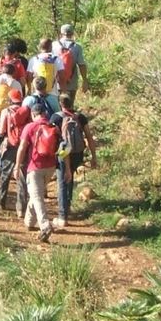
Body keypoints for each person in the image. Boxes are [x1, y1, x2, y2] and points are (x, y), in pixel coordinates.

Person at [15, 105, 62, 243]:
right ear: (45, 113)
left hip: (34, 167)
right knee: (36, 194)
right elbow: (61, 147)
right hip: (51, 166)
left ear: (33, 114)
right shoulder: (53, 126)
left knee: (37, 196)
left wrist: (17, 166)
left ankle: (44, 225)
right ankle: (29, 221)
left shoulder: (29, 127)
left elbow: (22, 148)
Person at [54, 92, 98, 228]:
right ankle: (67, 207)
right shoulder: (80, 117)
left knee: (62, 180)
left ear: (60, 104)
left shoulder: (56, 117)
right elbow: (89, 137)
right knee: (70, 177)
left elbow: (53, 137)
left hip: (63, 151)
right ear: (72, 103)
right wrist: (93, 157)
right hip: (77, 152)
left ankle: (62, 216)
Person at [0, 90, 33, 213]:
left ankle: (0, 200)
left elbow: (1, 131)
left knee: (5, 174)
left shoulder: (6, 111)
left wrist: (0, 130)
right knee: (22, 176)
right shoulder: (26, 111)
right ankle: (21, 207)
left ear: (10, 99)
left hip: (10, 145)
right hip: (24, 146)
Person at [55, 24, 88, 101]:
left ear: (61, 33)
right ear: (72, 33)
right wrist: (85, 80)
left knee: (57, 107)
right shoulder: (77, 47)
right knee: (69, 105)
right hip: (71, 83)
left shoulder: (54, 45)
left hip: (57, 83)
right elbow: (81, 65)